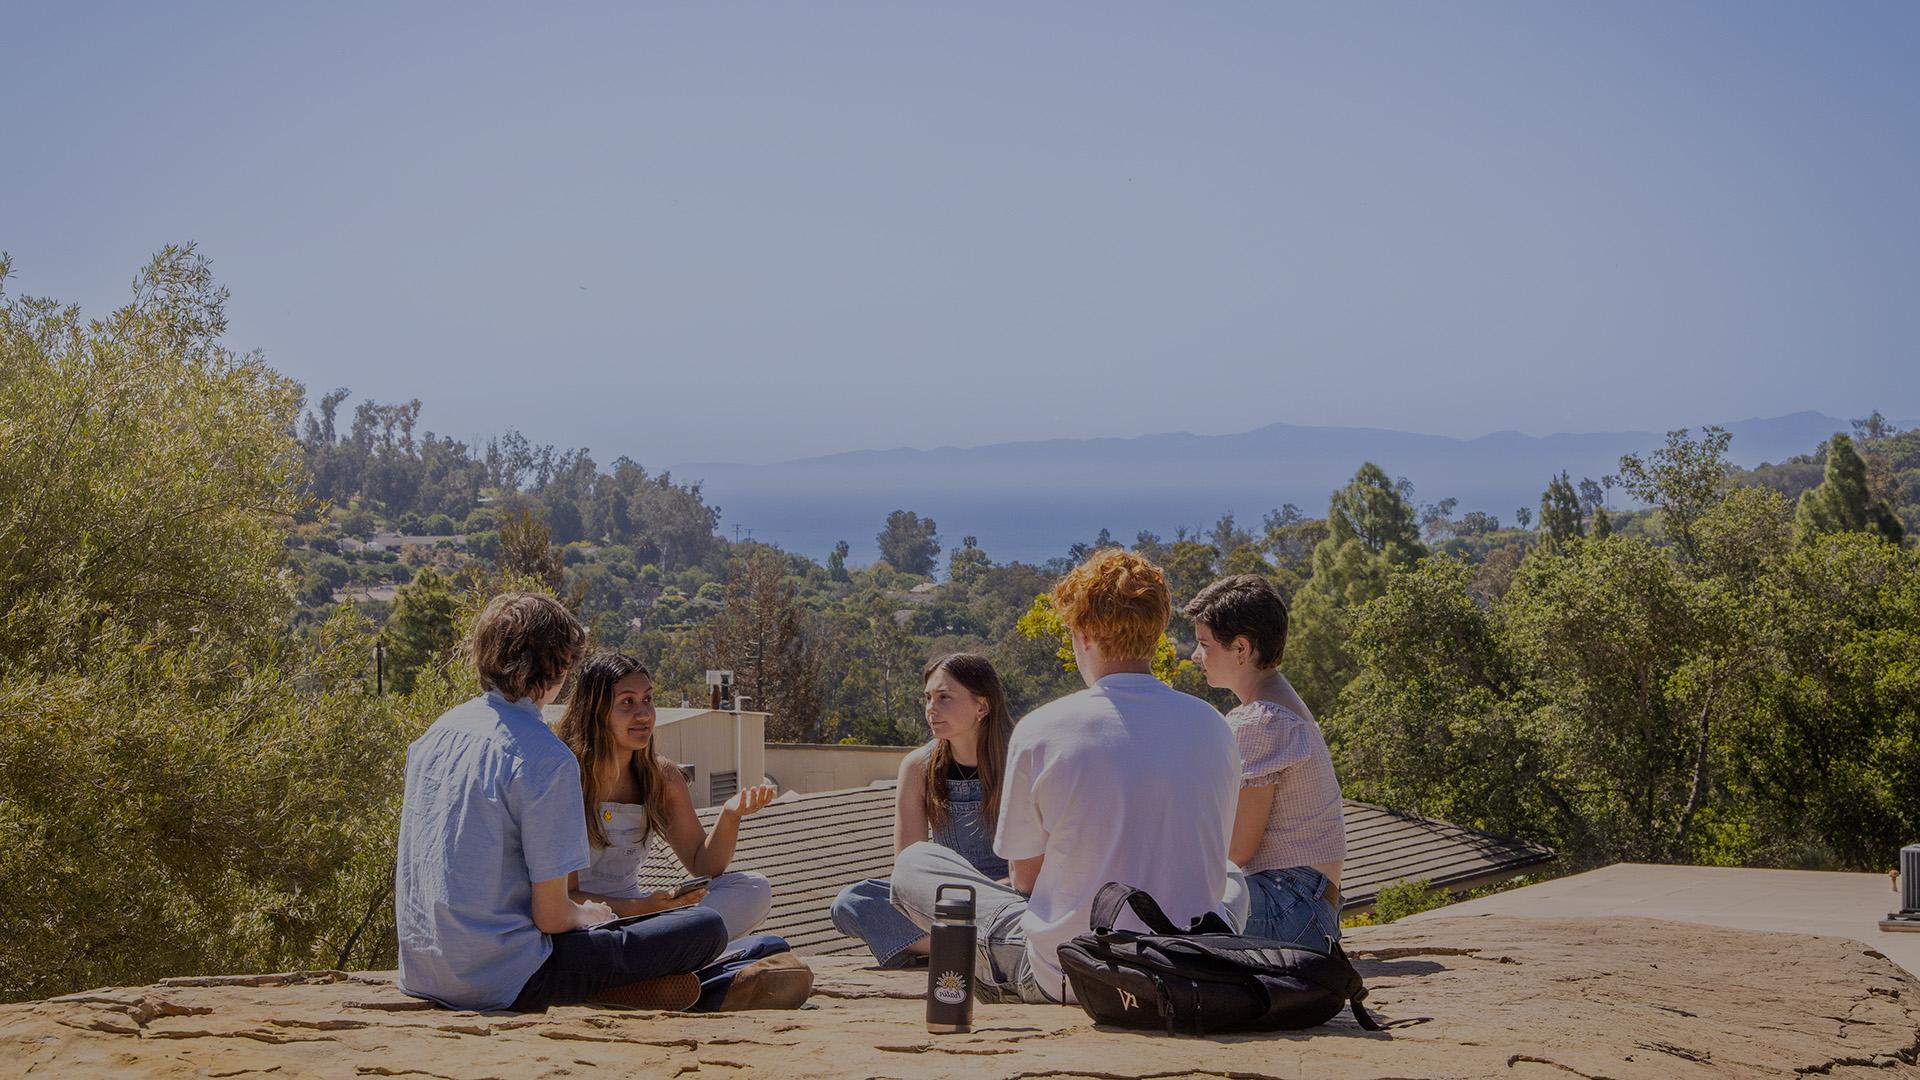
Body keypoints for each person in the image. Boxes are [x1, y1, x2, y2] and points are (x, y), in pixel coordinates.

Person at [395, 592, 805, 1013]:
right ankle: (701, 985)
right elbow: (554, 917)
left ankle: (677, 977)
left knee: (726, 932)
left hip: (423, 972)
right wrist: (603, 917)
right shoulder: (544, 757)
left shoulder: (435, 735)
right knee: (707, 930)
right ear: (558, 662)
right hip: (509, 978)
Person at [890, 550, 1239, 1004]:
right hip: (1188, 961)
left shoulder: (1043, 729)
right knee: (1236, 879)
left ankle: (996, 969)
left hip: (1075, 973)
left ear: (1084, 634)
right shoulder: (1213, 724)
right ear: (1156, 634)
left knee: (914, 864)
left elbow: (1026, 879)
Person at [557, 650, 778, 941]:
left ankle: (663, 955)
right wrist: (642, 908)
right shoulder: (564, 778)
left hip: (640, 921)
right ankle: (670, 956)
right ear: (595, 711)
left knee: (753, 887)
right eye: (627, 702)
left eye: (648, 699)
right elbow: (565, 896)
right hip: (581, 926)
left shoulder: (662, 776)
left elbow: (703, 865)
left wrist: (730, 815)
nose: (644, 714)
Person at [1186, 574, 1346, 949]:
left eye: (1204, 644)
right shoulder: (1284, 704)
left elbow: (1238, 850)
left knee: (1154, 900)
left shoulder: (1261, 720)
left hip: (1290, 907)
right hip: (1308, 904)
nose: (1195, 656)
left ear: (1241, 648)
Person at [828, 653, 1013, 968]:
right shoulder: (918, 766)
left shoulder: (1022, 759)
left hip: (1009, 895)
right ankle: (987, 948)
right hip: (946, 898)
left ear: (982, 706)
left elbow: (1039, 869)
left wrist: (990, 894)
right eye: (928, 698)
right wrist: (947, 900)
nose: (931, 708)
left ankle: (960, 946)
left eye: (944, 698)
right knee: (853, 901)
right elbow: (908, 866)